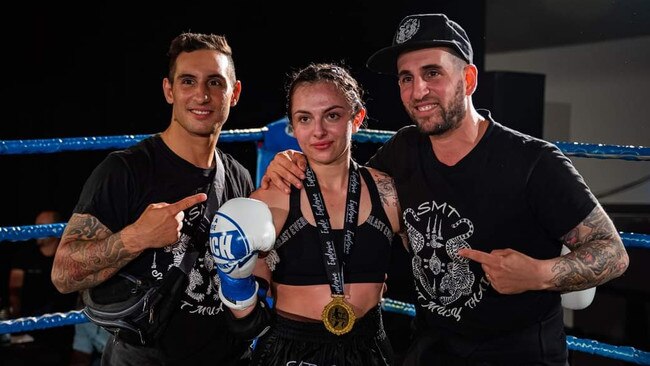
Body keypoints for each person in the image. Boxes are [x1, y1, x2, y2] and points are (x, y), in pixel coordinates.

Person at [260, 13, 630, 365]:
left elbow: (613, 252)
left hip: (519, 357)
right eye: (406, 77)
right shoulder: (402, 152)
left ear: (468, 80)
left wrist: (540, 274)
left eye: (432, 73)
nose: (419, 90)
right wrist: (294, 162)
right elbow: (343, 187)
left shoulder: (532, 161)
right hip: (432, 353)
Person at [51, 32, 253, 365]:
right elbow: (63, 275)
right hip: (145, 357)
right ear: (169, 90)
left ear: (235, 94)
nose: (201, 94)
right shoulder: (126, 170)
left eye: (215, 82)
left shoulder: (238, 175)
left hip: (227, 355)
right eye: (188, 81)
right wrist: (137, 237)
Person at [212, 62, 404, 365]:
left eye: (332, 115)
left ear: (357, 119)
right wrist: (234, 282)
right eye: (304, 118)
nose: (318, 131)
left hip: (370, 347)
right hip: (292, 349)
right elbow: (246, 320)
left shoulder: (388, 194)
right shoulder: (271, 199)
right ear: (293, 125)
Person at [8, 209, 78, 365]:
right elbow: (14, 291)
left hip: (64, 326)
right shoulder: (24, 255)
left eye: (41, 225)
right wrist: (17, 321)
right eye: (35, 225)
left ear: (55, 228)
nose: (35, 229)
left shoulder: (70, 255)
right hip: (31, 325)